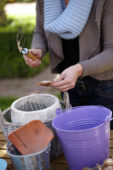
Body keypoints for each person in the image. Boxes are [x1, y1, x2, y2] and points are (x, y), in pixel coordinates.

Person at [23, 0, 113, 129]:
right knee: (73, 141)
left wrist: (79, 69)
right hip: (68, 86)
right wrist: (38, 48)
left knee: (106, 143)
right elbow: (40, 31)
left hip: (104, 88)